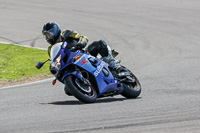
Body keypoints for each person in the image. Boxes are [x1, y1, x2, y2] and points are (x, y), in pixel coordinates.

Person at [42, 21, 117, 70]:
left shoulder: (67, 33)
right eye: (47, 35)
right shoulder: (50, 49)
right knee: (68, 90)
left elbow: (82, 37)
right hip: (71, 63)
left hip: (83, 53)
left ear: (56, 31)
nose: (48, 37)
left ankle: (111, 62)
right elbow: (55, 60)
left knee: (99, 44)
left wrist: (81, 43)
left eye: (50, 34)